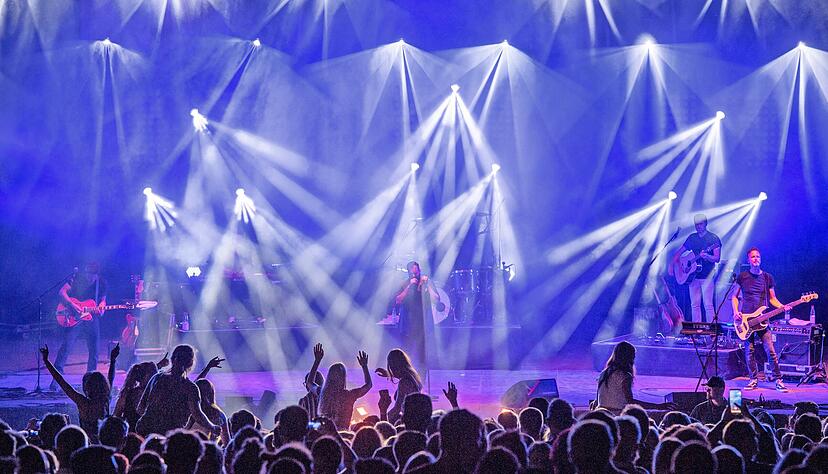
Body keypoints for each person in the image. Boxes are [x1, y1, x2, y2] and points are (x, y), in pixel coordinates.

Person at [732, 247, 790, 391]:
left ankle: (778, 380)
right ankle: (753, 379)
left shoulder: (767, 278)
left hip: (763, 320)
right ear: (749, 260)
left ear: (760, 258)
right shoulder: (742, 277)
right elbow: (734, 296)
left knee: (770, 350)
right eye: (753, 257)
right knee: (749, 351)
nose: (756, 258)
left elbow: (773, 299)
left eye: (758, 256)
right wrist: (736, 312)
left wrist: (783, 306)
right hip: (746, 320)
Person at [135, 344, 221, 437]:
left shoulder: (156, 378)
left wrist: (153, 419)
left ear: (172, 359)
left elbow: (140, 407)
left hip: (145, 432)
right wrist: (213, 427)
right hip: (169, 438)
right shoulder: (190, 388)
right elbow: (197, 415)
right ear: (190, 363)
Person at [40, 343, 119, 442]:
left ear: (87, 387)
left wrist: (46, 361)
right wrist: (113, 360)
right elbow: (110, 379)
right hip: (105, 442)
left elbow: (61, 381)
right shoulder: (105, 399)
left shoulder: (83, 403)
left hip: (88, 445)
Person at [52, 262, 108, 389]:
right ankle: (56, 381)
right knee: (66, 347)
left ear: (96, 275)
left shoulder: (102, 283)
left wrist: (102, 307)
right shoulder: (77, 278)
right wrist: (72, 305)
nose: (89, 278)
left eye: (92, 275)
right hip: (74, 316)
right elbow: (62, 292)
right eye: (87, 274)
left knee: (94, 350)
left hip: (91, 318)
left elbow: (103, 301)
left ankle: (91, 381)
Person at [669, 214, 721, 322]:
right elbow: (678, 253)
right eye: (696, 224)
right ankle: (697, 330)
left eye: (700, 224)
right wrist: (671, 265)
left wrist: (707, 256)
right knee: (694, 305)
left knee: (708, 305)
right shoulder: (692, 238)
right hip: (693, 277)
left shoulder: (713, 239)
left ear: (706, 224)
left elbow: (717, 258)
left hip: (707, 276)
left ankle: (710, 331)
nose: (698, 226)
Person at [595, 341, 673, 414]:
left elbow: (597, 400)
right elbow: (631, 402)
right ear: (628, 357)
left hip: (601, 413)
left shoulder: (604, 373)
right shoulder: (624, 376)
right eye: (633, 356)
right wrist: (658, 406)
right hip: (617, 414)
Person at [394, 261, 443, 364]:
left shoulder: (427, 282)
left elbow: (436, 299)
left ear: (419, 270)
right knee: (407, 350)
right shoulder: (405, 283)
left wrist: (427, 285)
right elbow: (398, 300)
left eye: (416, 270)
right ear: (409, 272)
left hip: (423, 322)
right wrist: (409, 286)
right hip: (408, 322)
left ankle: (422, 372)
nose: (415, 273)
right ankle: (407, 371)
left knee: (423, 351)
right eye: (412, 271)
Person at [318, 351, 373, 431]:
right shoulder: (349, 395)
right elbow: (368, 385)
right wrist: (364, 366)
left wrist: (317, 361)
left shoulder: (323, 394)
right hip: (343, 435)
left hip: (325, 434)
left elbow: (309, 383)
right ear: (343, 377)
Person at [375, 348, 423, 424]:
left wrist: (384, 418)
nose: (391, 369)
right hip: (415, 420)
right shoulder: (412, 377)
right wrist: (388, 374)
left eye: (391, 366)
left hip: (408, 422)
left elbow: (398, 407)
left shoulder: (404, 382)